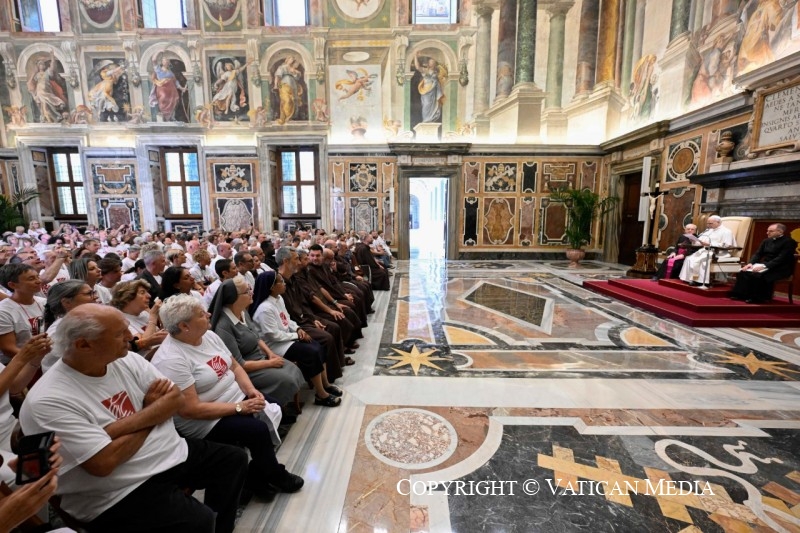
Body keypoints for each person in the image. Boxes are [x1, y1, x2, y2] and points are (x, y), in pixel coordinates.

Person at [20, 304, 248, 532]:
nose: (131, 337)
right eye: (120, 334)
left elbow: (175, 399)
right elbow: (104, 463)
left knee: (233, 459)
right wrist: (151, 411)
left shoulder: (125, 358)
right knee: (198, 520)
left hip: (168, 453)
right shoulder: (48, 399)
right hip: (118, 489)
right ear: (84, 344)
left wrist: (114, 430)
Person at [151, 294, 305, 499]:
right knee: (257, 430)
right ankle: (275, 474)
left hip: (236, 397)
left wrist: (250, 390)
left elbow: (234, 365)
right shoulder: (171, 359)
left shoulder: (208, 336)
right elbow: (191, 409)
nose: (208, 314)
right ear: (184, 326)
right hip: (206, 419)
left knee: (274, 405)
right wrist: (241, 408)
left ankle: (255, 477)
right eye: (200, 314)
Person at [209, 277, 305, 407]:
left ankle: (282, 407)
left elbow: (256, 336)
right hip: (247, 368)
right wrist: (269, 363)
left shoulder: (242, 311)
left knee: (293, 370)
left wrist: (270, 353)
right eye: (246, 291)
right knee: (286, 379)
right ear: (233, 298)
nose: (251, 292)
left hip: (260, 357)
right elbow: (239, 364)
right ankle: (274, 408)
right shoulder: (223, 326)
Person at [250, 272, 342, 407]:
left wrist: (298, 329)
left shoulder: (278, 299)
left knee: (318, 345)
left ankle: (326, 384)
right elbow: (273, 335)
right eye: (281, 282)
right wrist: (296, 336)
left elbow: (287, 319)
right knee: (310, 352)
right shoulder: (264, 308)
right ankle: (321, 395)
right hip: (274, 345)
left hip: (286, 337)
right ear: (272, 287)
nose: (284, 284)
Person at [729, 223, 798, 303]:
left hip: (780, 268)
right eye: (767, 231)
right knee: (744, 272)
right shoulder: (766, 241)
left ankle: (759, 298)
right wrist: (750, 264)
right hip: (765, 265)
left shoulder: (789, 242)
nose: (767, 233)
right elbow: (758, 254)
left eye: (770, 231)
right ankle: (741, 294)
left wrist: (765, 266)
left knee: (759, 274)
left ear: (780, 232)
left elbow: (781, 258)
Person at [41, 280, 97, 372]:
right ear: (66, 302)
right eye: (89, 294)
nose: (96, 297)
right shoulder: (58, 331)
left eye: (94, 292)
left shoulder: (82, 322)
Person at [0, 264, 46, 365]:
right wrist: (39, 360)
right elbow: (8, 349)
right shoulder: (3, 311)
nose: (39, 281)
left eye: (37, 276)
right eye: (31, 278)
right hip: (18, 364)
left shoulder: (44, 302)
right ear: (12, 285)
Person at [111, 280, 168, 359]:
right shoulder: (120, 320)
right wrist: (153, 317)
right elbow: (145, 345)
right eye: (142, 293)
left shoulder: (144, 313)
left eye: (147, 292)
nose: (149, 296)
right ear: (127, 297)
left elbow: (161, 335)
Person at [678, 215, 736, 287]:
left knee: (702, 260)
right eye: (708, 223)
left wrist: (710, 244)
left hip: (719, 252)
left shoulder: (726, 232)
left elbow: (727, 245)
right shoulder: (709, 231)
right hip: (705, 250)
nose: (708, 225)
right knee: (689, 258)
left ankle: (700, 281)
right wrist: (693, 240)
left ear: (718, 222)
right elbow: (700, 241)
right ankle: (691, 279)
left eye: (710, 223)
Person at [27, 52, 67, 123]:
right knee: (44, 105)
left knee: (50, 102)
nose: (41, 66)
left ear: (44, 66)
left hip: (47, 90)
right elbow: (31, 82)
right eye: (39, 64)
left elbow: (52, 67)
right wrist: (33, 73)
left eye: (42, 64)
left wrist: (52, 58)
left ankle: (54, 116)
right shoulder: (37, 75)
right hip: (39, 91)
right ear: (38, 67)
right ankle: (48, 117)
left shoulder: (47, 72)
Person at [149, 54, 186, 121]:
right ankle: (164, 115)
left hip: (171, 90)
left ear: (168, 63)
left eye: (167, 61)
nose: (166, 62)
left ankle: (171, 116)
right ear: (162, 62)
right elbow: (154, 60)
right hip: (162, 88)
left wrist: (181, 88)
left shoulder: (170, 72)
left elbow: (175, 82)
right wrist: (159, 51)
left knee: (173, 100)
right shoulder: (158, 69)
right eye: (164, 60)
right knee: (163, 98)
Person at [412, 52, 444, 124]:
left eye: (433, 63)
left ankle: (431, 118)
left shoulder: (436, 72)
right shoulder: (425, 70)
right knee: (426, 105)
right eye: (431, 62)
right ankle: (426, 119)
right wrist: (415, 56)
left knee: (433, 106)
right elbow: (417, 67)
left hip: (434, 91)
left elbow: (441, 79)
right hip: (426, 91)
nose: (432, 64)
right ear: (428, 63)